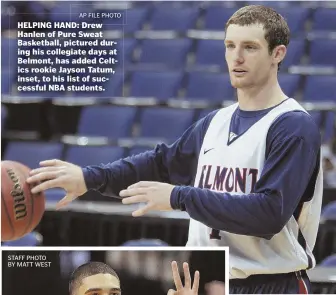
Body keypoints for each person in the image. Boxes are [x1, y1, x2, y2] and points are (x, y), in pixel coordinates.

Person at [27, 4, 323, 294]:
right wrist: (87, 178)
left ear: (277, 54)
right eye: (230, 46)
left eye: (250, 47)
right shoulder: (215, 122)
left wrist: (179, 196)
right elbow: (161, 164)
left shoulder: (293, 127)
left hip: (272, 284)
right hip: (215, 283)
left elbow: (269, 214)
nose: (237, 57)